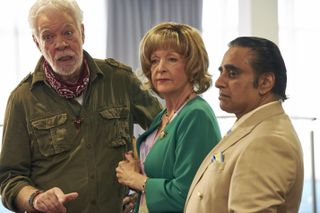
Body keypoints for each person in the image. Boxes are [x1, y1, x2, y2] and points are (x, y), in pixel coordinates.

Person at [0, 0, 162, 212]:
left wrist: (142, 182)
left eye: (68, 32)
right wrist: (36, 199)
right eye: (48, 36)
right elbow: (9, 178)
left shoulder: (120, 80)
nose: (60, 44)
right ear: (37, 43)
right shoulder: (22, 99)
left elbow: (166, 134)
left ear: (82, 32)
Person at [184, 36, 304, 213]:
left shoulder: (268, 141)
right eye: (221, 71)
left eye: (232, 73)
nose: (219, 82)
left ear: (265, 83)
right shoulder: (253, 128)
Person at [115, 22, 221, 213]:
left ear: (193, 65)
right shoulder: (165, 115)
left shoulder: (196, 115)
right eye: (154, 60)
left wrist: (136, 180)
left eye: (171, 59)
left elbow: (188, 194)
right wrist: (139, 196)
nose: (160, 68)